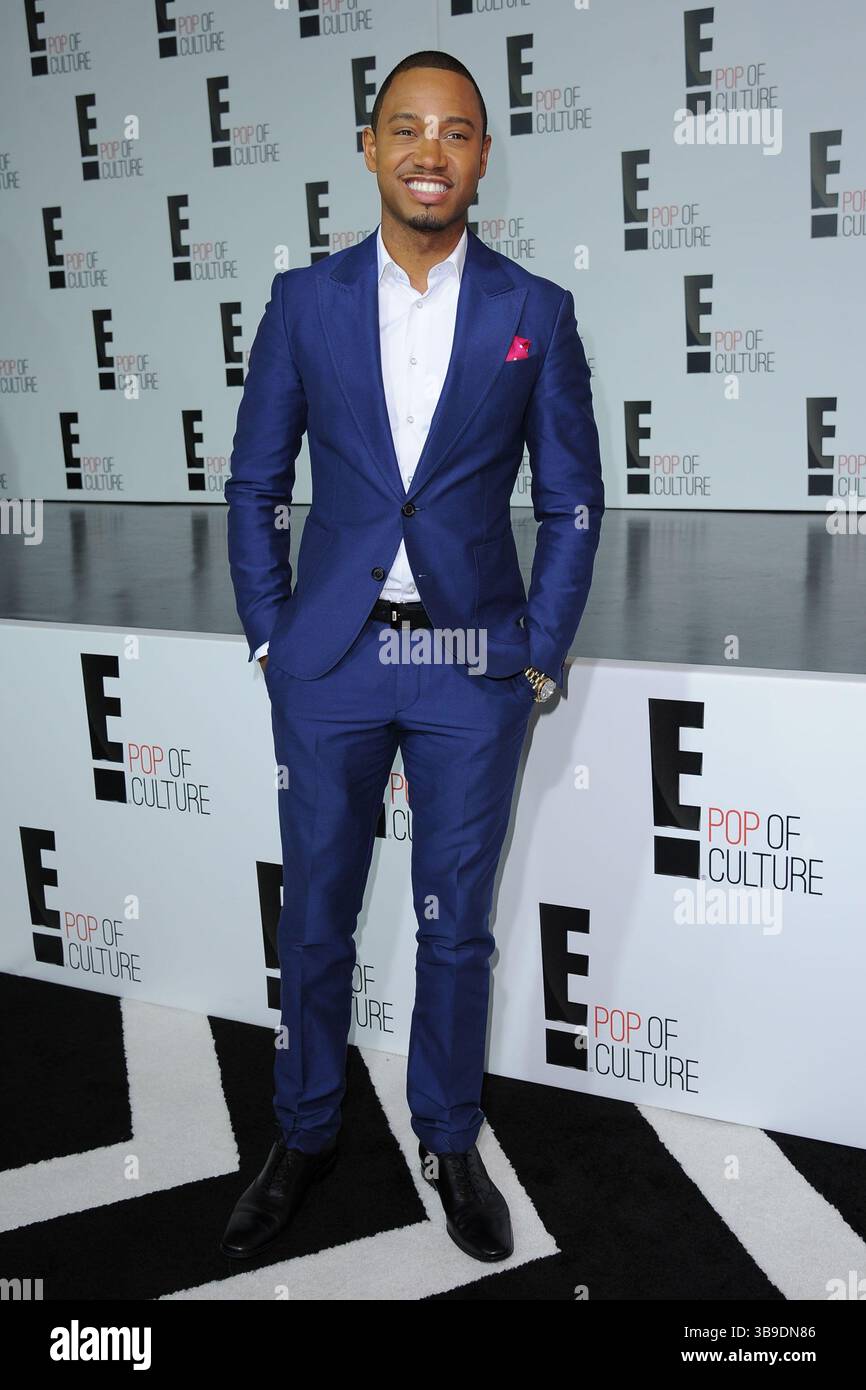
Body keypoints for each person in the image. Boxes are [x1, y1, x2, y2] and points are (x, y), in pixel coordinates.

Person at [220, 49, 604, 1265]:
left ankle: (446, 1133)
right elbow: (252, 482)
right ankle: (305, 1129)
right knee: (318, 912)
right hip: (328, 654)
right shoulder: (303, 302)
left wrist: (537, 653)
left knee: (455, 927)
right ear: (370, 149)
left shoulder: (533, 312)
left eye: (454, 131)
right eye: (405, 127)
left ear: (482, 155)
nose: (428, 149)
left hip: (465, 660)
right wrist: (274, 635)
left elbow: (576, 499)